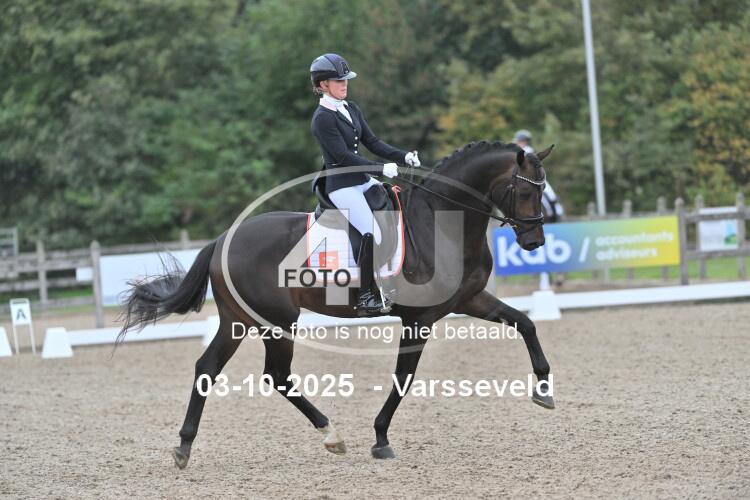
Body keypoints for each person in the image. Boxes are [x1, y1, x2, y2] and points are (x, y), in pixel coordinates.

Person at [309, 53, 420, 315]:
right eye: (339, 81)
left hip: (362, 181)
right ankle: (366, 295)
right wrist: (381, 169)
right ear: (323, 84)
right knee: (372, 232)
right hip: (342, 187)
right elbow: (343, 157)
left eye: (346, 79)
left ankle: (396, 277)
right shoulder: (322, 118)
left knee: (397, 210)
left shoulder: (351, 108)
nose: (345, 84)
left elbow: (373, 142)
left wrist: (402, 155)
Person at [513, 130, 565, 289]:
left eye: (519, 141)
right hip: (525, 180)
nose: (518, 143)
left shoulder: (527, 151)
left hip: (533, 179)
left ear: (524, 141)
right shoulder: (519, 151)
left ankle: (554, 209)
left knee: (549, 192)